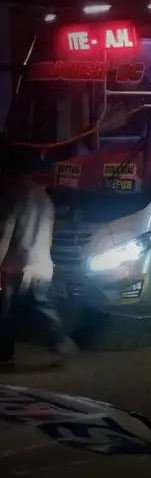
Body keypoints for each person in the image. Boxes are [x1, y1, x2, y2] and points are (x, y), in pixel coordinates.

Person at [0, 149, 76, 367]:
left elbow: (7, 231)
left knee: (10, 311)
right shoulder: (43, 197)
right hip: (39, 263)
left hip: (16, 265)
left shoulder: (15, 195)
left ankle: (59, 344)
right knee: (40, 308)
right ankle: (60, 345)